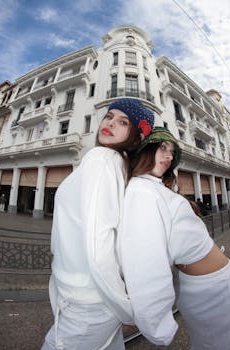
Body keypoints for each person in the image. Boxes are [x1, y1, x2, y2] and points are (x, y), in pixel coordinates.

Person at [41, 98, 154, 350]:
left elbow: (98, 245)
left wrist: (125, 309)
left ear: (135, 136)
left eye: (123, 122)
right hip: (95, 300)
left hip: (87, 304)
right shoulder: (117, 164)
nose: (111, 123)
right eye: (109, 116)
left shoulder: (101, 159)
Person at [119, 127, 230, 349]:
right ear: (145, 151)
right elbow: (146, 260)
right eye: (162, 148)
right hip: (213, 290)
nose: (168, 156)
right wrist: (154, 321)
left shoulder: (152, 188)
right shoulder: (142, 191)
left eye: (171, 152)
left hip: (204, 286)